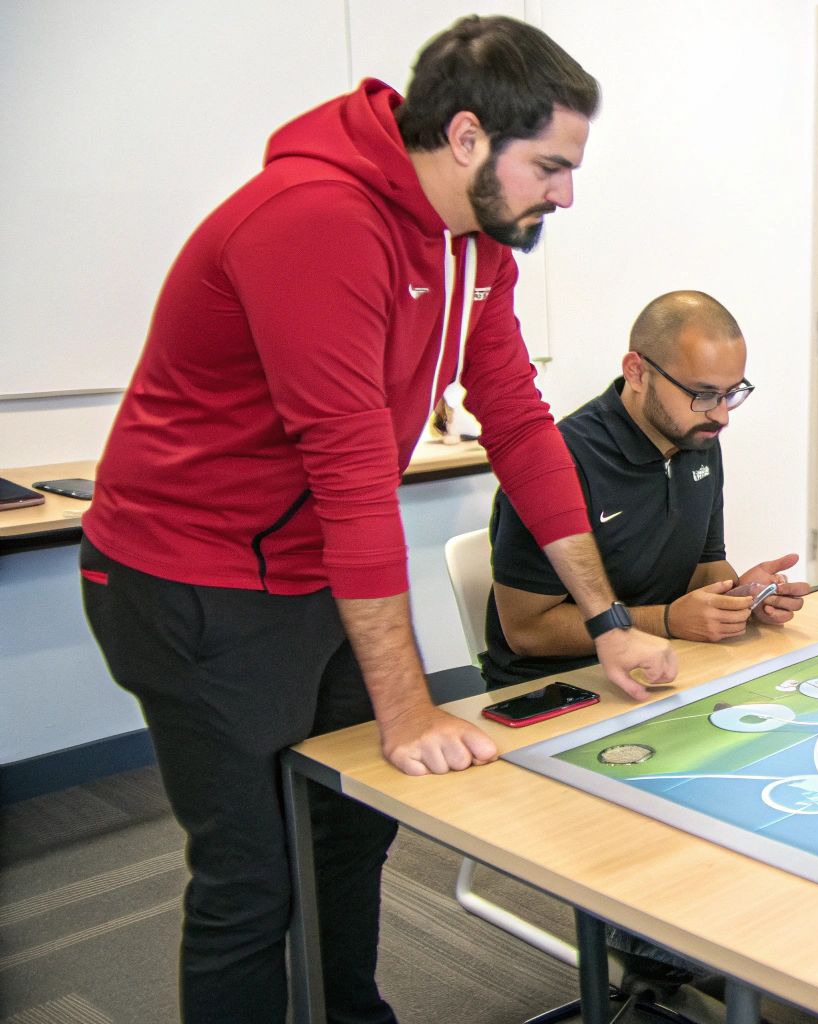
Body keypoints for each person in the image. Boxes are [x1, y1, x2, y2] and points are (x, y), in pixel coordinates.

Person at [78, 17, 676, 1024]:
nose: (565, 194)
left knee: (351, 826)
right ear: (469, 138)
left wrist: (609, 619)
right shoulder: (315, 218)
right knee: (252, 873)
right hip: (193, 580)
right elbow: (353, 474)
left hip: (309, 569)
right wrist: (404, 706)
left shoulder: (475, 249)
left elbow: (521, 430)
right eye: (551, 166)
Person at [484, 290, 811, 690]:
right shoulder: (558, 465)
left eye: (732, 393)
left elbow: (704, 564)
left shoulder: (698, 438)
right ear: (637, 372)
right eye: (703, 394)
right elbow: (527, 631)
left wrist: (740, 596)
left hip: (665, 662)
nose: (721, 415)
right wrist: (667, 620)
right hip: (557, 685)